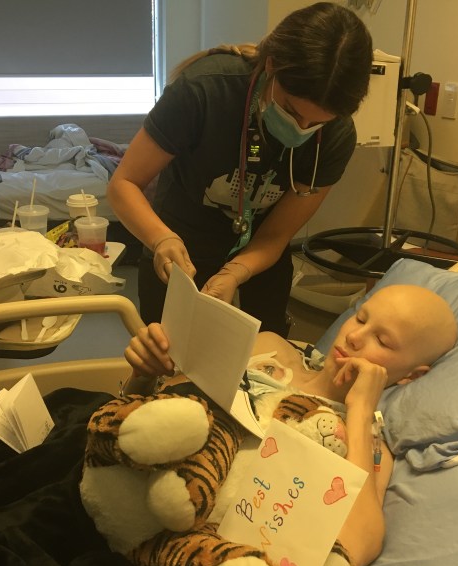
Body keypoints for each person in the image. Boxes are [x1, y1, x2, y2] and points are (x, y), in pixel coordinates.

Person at [122, 284, 458, 566]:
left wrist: (360, 411)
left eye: (382, 341)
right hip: (130, 481)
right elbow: (147, 409)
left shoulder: (366, 444)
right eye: (360, 318)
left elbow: (355, 549)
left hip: (191, 553)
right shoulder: (268, 348)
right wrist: (145, 373)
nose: (354, 337)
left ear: (412, 375)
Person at [107, 2, 373, 336]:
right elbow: (124, 183)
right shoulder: (205, 90)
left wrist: (235, 271)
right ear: (271, 65)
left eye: (317, 122)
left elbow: (276, 235)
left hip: (261, 260)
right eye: (292, 110)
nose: (301, 128)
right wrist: (161, 239)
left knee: (266, 359)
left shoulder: (337, 135)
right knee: (167, 358)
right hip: (176, 255)